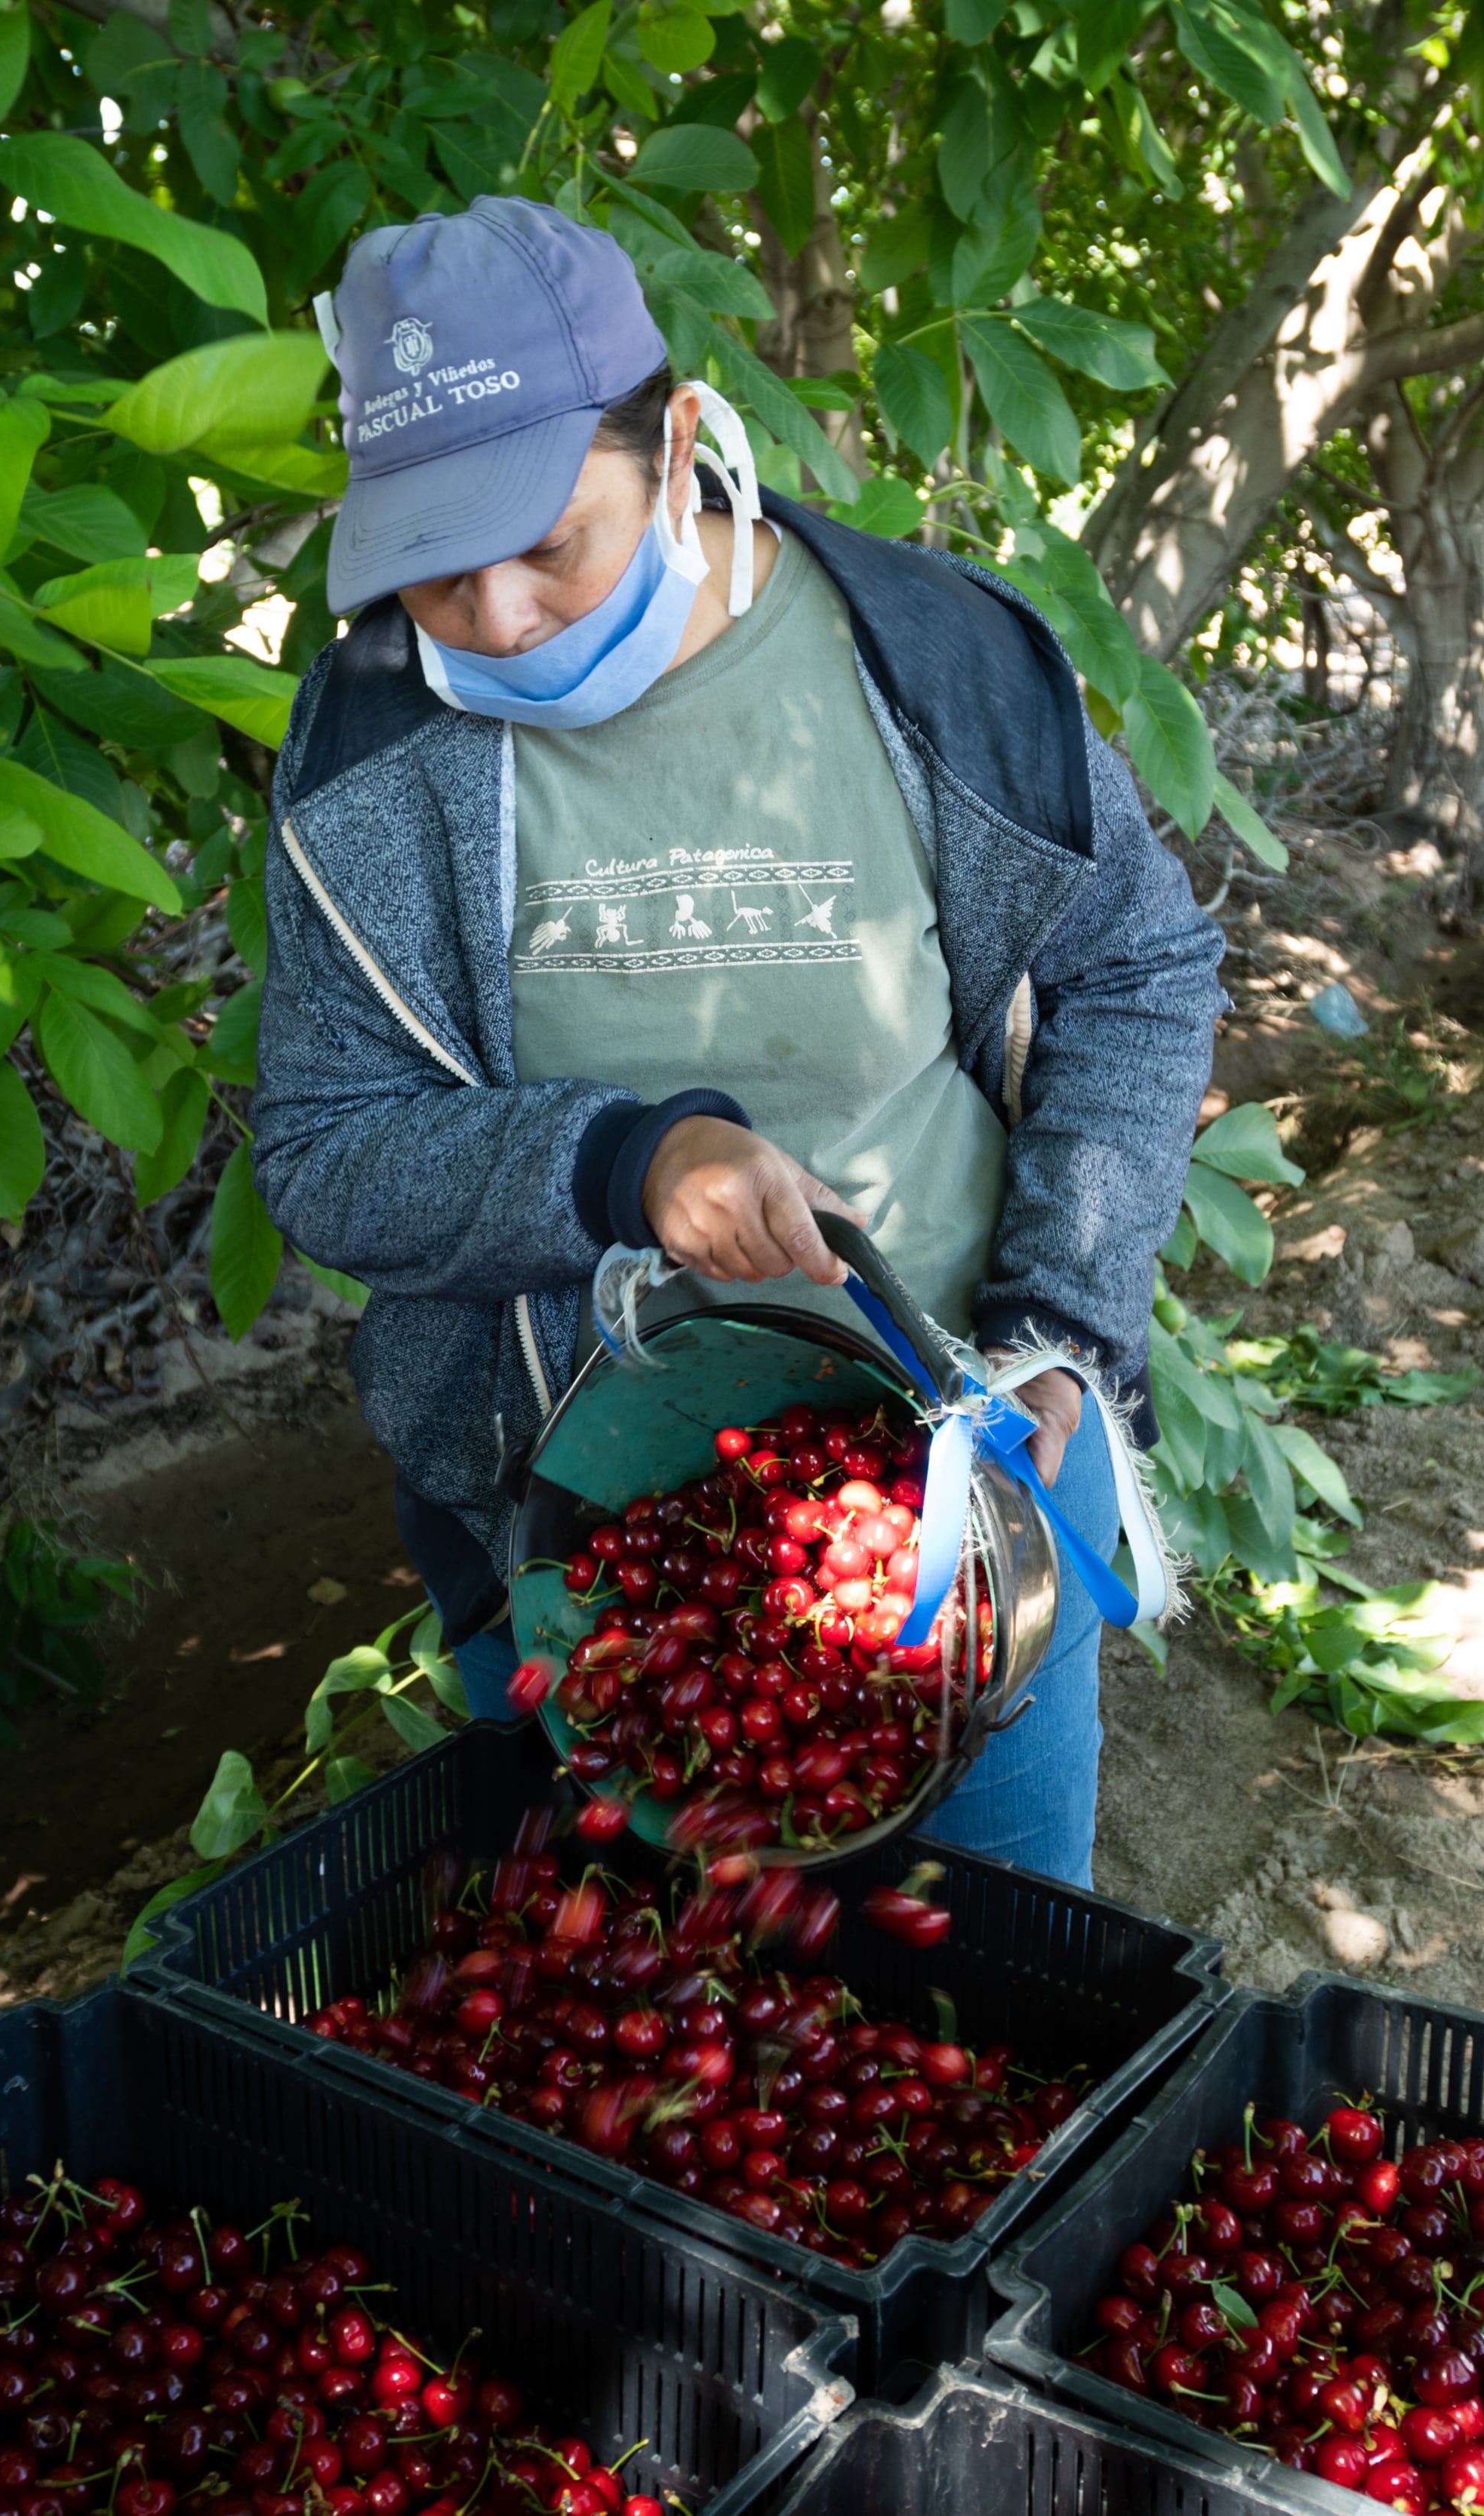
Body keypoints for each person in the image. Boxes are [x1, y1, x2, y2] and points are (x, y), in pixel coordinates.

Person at [253, 198, 1224, 1887]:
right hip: (578, 1535)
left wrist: (1064, 1326)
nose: (487, 613)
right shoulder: (373, 755)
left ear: (680, 439)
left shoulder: (941, 671)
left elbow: (1138, 969)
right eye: (430, 565)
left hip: (958, 1488)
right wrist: (622, 1163)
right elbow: (326, 1150)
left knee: (981, 2016)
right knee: (634, 2023)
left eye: (548, 541)